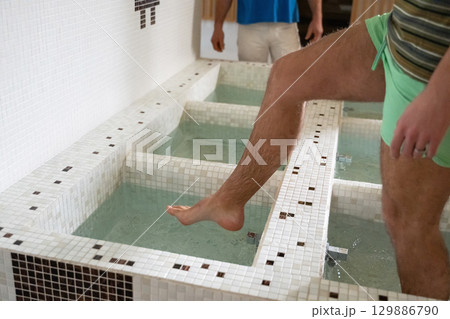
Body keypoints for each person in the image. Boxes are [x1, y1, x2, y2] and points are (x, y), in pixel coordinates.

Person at [169, 0, 450, 300]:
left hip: (433, 66)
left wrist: (439, 94)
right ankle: (228, 202)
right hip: (399, 31)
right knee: (285, 76)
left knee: (407, 221)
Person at [211, 0, 323, 62]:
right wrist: (218, 26)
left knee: (290, 80)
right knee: (250, 79)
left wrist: (317, 17)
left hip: (285, 26)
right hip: (250, 26)